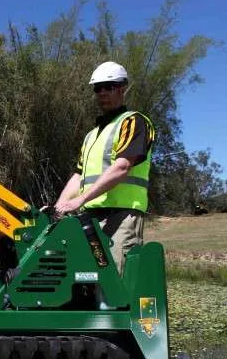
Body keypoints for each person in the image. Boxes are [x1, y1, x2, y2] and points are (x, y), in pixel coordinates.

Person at [54, 61, 155, 276]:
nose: (102, 93)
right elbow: (79, 175)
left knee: (117, 282)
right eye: (98, 88)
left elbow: (122, 166)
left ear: (122, 88)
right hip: (91, 218)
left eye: (108, 87)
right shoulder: (91, 135)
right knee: (87, 281)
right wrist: (61, 204)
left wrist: (80, 200)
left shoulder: (133, 122)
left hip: (121, 217)